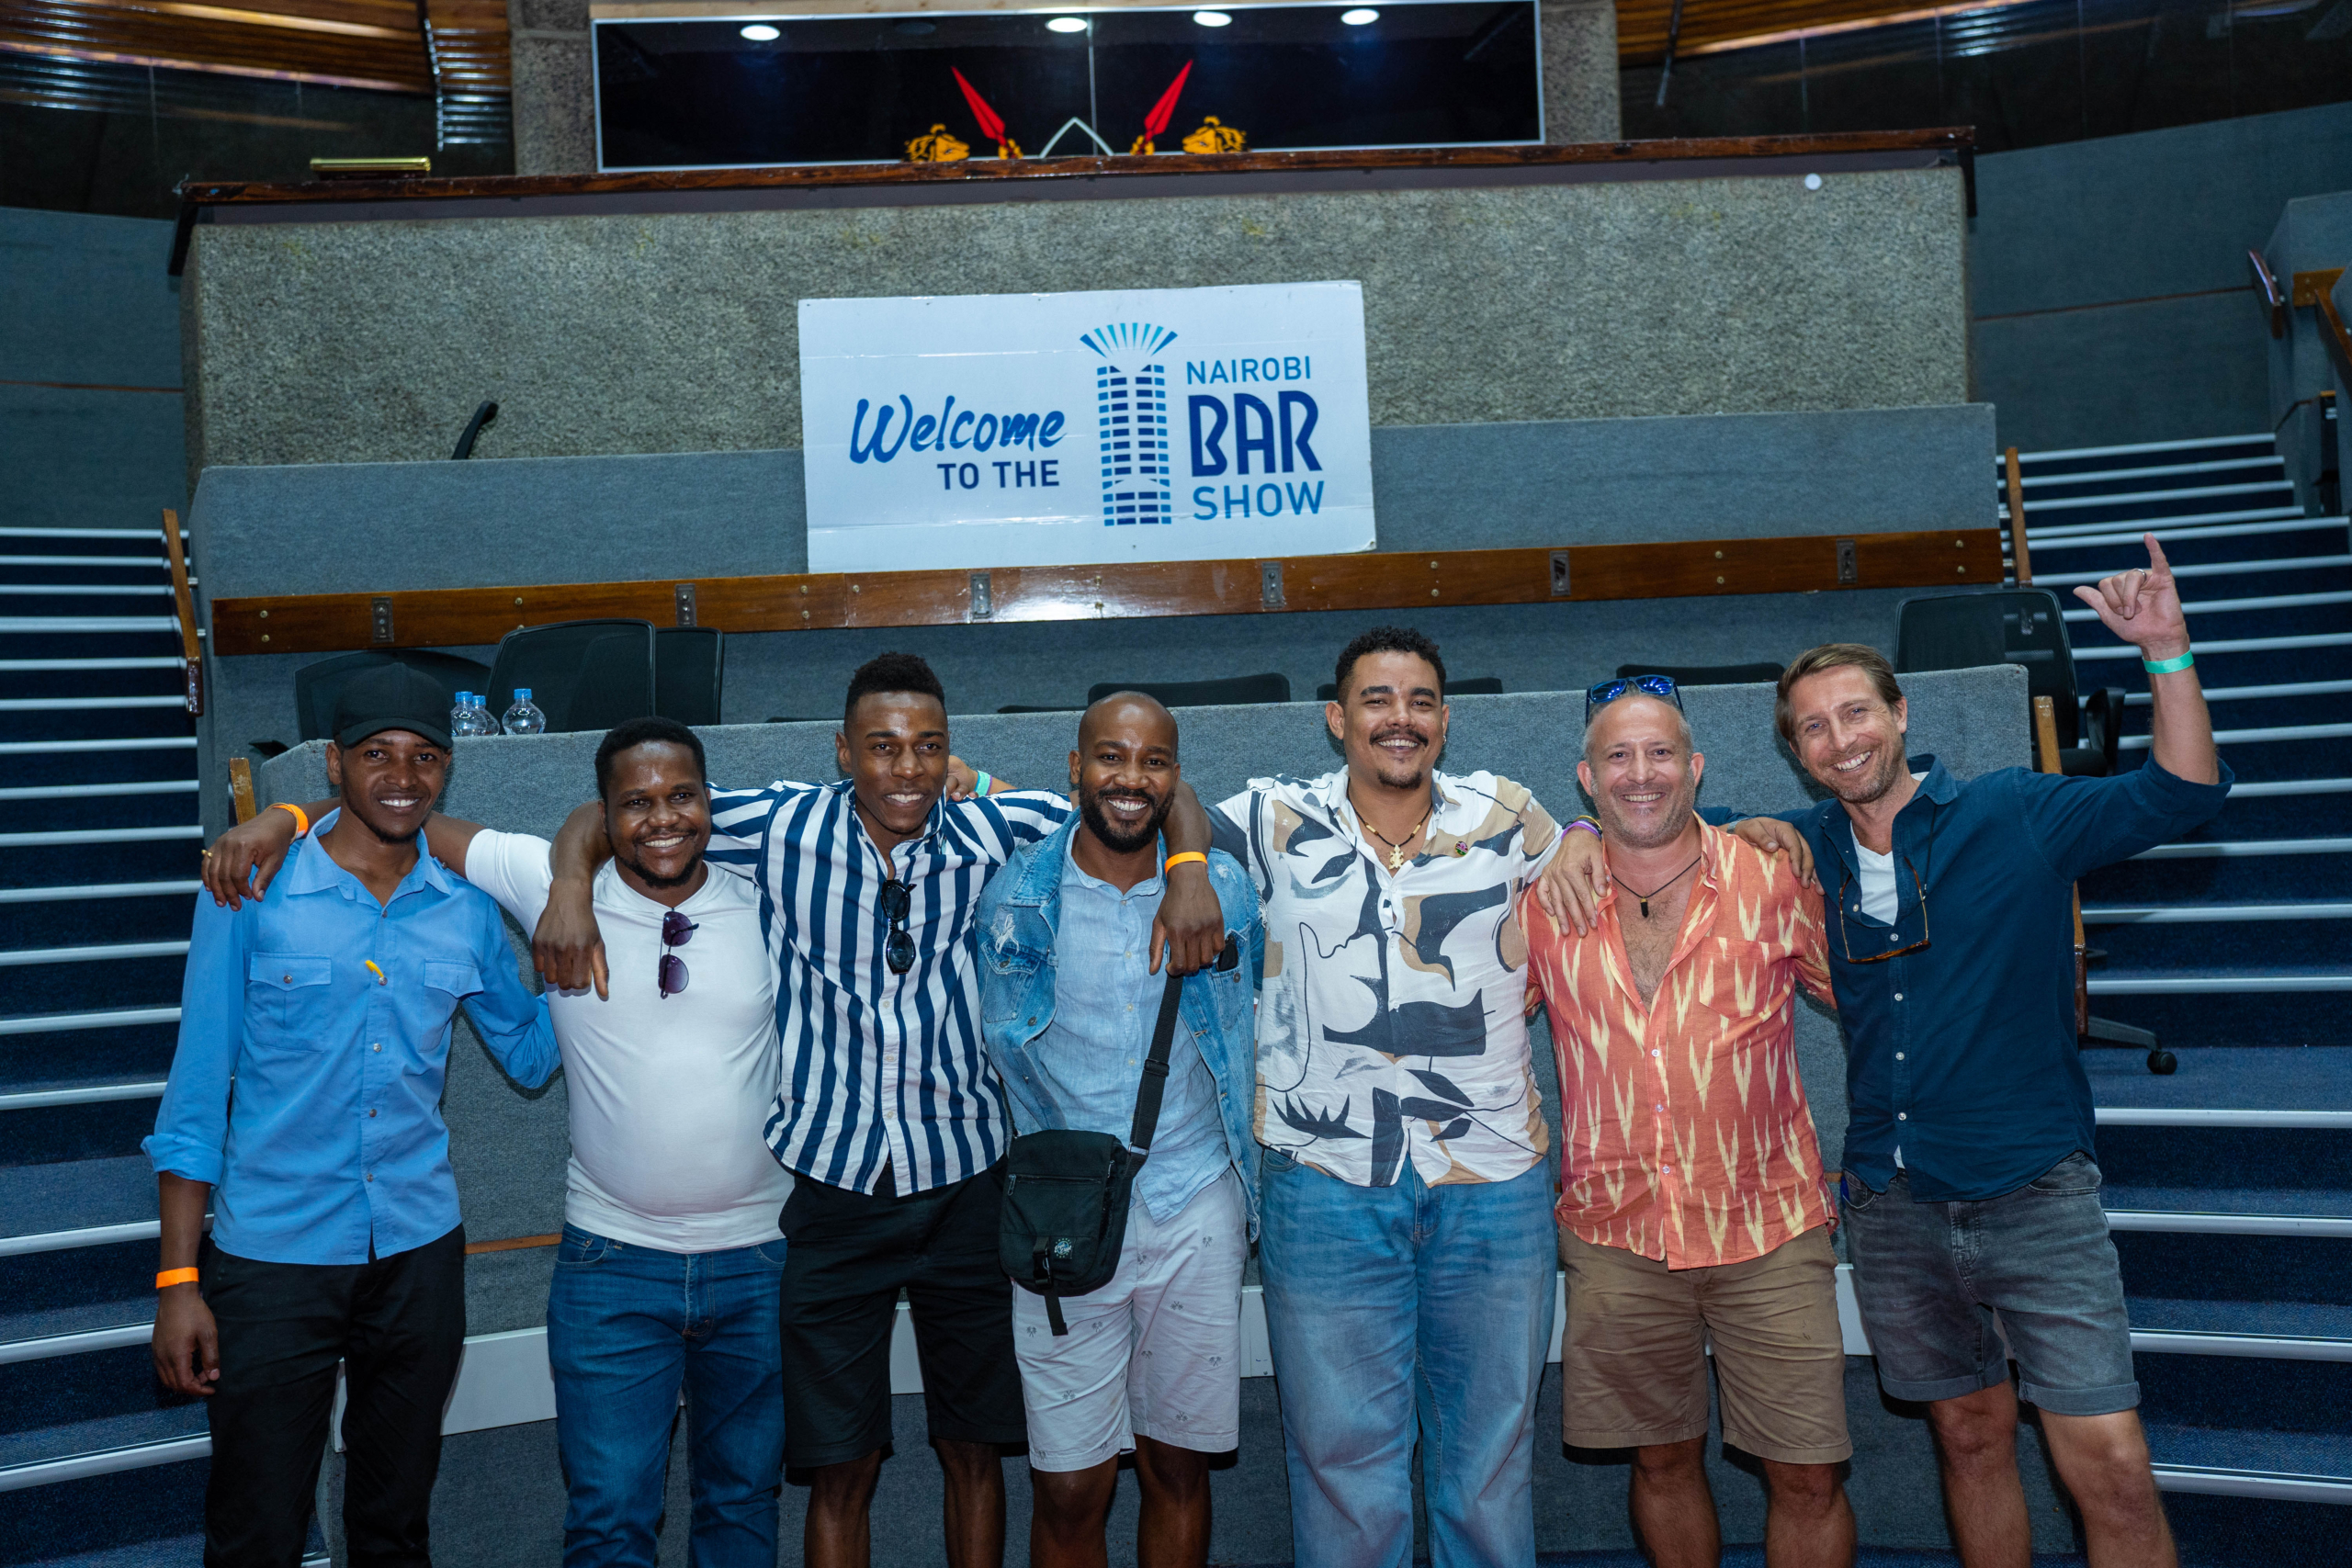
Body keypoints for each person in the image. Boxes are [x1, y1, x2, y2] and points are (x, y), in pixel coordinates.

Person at [1548, 538, 2226, 1567]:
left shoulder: (2015, 812)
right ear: (1797, 752)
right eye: (1814, 727)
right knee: (1968, 1439)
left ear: (1901, 715)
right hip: (1894, 1203)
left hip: (2031, 1187)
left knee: (2111, 1462)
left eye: (1856, 712)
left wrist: (2167, 654)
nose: (1841, 738)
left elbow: (2180, 795)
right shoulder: (1800, 850)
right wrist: (1569, 833)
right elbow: (1651, 816)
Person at [528, 653, 1229, 1568]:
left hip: (967, 1181)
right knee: (840, 1467)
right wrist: (569, 888)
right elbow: (618, 811)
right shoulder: (782, 826)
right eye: (884, 746)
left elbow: (1148, 795)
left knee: (972, 1451)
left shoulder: (996, 829)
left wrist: (1188, 867)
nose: (907, 768)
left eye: (928, 747)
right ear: (843, 750)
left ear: (949, 752)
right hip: (833, 1190)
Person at [200, 718, 794, 1568]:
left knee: (744, 1506)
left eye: (683, 796)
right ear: (602, 813)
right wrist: (287, 815)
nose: (662, 817)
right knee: (609, 1520)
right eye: (634, 802)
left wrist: (970, 778)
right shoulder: (533, 875)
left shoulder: (772, 896)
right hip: (612, 1262)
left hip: (759, 1258)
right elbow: (400, 811)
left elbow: (876, 812)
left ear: (711, 801)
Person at [151, 663, 560, 1568]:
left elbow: (531, 1054)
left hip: (417, 1251)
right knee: (256, 1529)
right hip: (273, 1256)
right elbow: (195, 1094)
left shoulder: (463, 910)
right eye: (377, 754)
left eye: (424, 757)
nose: (402, 776)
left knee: (394, 1524)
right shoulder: (250, 887)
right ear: (333, 764)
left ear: (447, 768)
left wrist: (585, 939)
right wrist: (178, 1281)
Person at [1204, 625, 1588, 1568]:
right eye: (1376, 699)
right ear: (1337, 719)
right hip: (1324, 1177)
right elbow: (1157, 809)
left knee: (1490, 1456)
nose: (1399, 717)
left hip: (1492, 1177)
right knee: (1342, 1461)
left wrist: (1582, 832)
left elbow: (1628, 836)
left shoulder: (1508, 815)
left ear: (1444, 720)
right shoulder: (1271, 817)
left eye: (1419, 700)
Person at [1522, 680, 1853, 1568]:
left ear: (1696, 767)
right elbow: (1466, 1030)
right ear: (1586, 779)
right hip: (1617, 1231)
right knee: (1661, 1460)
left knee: (1808, 1473)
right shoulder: (1545, 903)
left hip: (1768, 1223)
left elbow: (1873, 998)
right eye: (1619, 756)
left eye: (1661, 752)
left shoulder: (1771, 878)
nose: (1642, 773)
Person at [975, 694, 1265, 1568]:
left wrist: (1192, 869)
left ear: (1175, 775)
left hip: (1194, 1201)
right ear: (1075, 767)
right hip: (1064, 1219)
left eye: (1153, 761)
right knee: (1070, 1485)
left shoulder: (1226, 891)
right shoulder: (1019, 896)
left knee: (1178, 1465)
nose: (1130, 778)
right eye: (1110, 756)